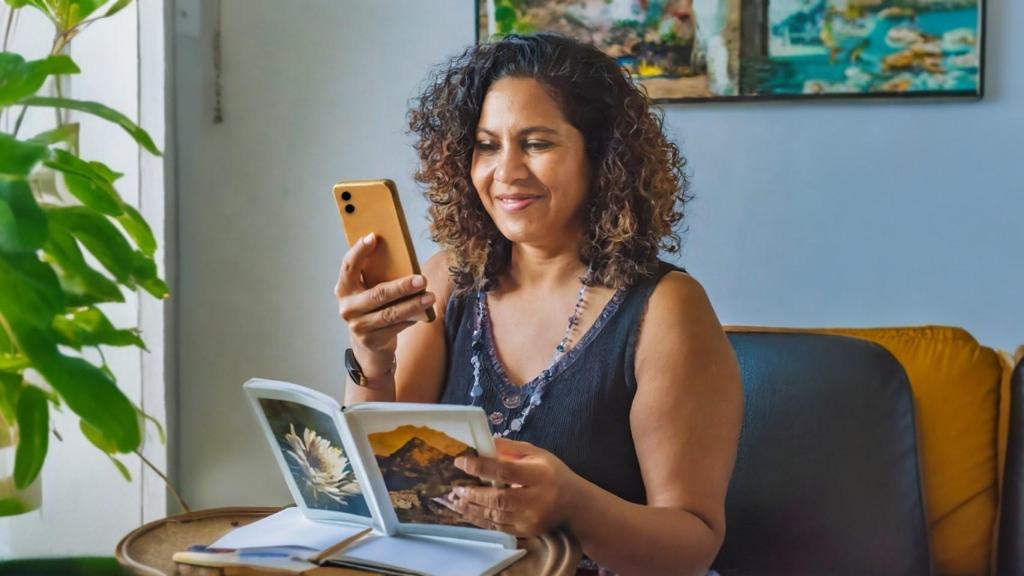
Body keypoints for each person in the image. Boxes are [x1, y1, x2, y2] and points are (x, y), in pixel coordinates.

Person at [335, 33, 742, 576]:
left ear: (601, 156)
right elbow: (383, 484)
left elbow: (693, 547)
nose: (506, 172)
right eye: (486, 145)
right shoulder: (449, 278)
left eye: (537, 143)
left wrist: (574, 504)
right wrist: (372, 353)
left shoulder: (668, 308)